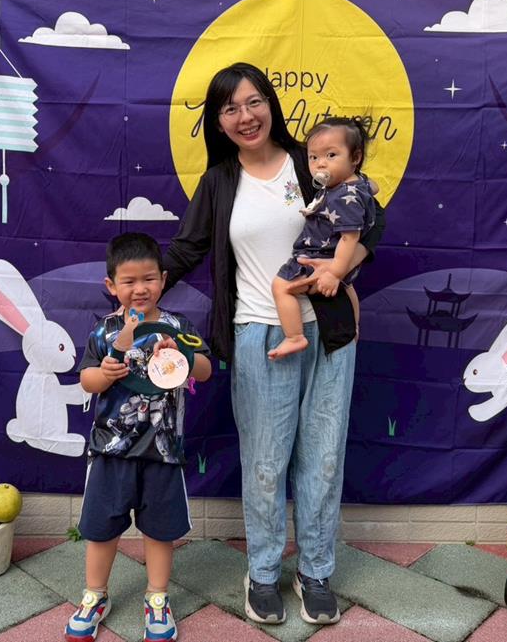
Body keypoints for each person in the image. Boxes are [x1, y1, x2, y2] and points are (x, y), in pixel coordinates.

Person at [163, 63, 385, 626]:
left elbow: (370, 223)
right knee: (265, 464)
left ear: (271, 104)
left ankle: (315, 572)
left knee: (324, 460)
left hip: (329, 334)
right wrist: (137, 293)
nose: (245, 116)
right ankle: (262, 573)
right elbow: (186, 249)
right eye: (230, 108)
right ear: (218, 121)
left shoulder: (311, 163)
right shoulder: (219, 182)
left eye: (254, 102)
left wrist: (340, 270)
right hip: (258, 335)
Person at [65, 232, 212, 642]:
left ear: (163, 279)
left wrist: (181, 354)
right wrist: (105, 373)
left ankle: (157, 598)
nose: (140, 288)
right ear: (111, 285)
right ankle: (94, 596)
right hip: (111, 451)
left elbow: (204, 371)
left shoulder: (177, 327)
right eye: (129, 281)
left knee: (161, 531)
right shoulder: (104, 331)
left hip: (164, 451)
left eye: (148, 279)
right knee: (101, 529)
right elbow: (87, 380)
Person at [268, 117, 376, 360]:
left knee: (281, 287)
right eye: (313, 157)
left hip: (319, 256)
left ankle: (294, 336)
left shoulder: (343, 197)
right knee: (348, 287)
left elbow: (349, 238)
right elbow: (374, 187)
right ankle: (354, 327)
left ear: (355, 157)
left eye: (331, 155)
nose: (320, 164)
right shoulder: (358, 183)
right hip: (331, 257)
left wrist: (334, 272)